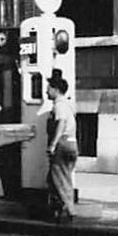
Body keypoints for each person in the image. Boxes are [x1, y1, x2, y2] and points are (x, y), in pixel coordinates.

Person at [45, 70, 78, 223]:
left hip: (62, 144)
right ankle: (62, 210)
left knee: (59, 179)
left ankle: (67, 211)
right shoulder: (69, 105)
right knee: (64, 177)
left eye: (49, 88)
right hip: (72, 143)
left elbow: (61, 123)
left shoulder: (59, 105)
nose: (46, 90)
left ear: (56, 90)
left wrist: (53, 144)